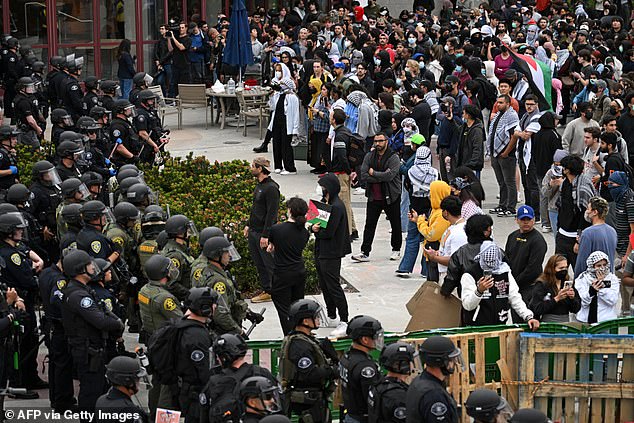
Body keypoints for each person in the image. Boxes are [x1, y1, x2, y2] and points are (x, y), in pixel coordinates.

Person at [61, 249, 124, 421]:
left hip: (93, 348)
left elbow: (103, 311)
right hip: (88, 351)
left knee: (99, 388)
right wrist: (117, 323)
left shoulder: (83, 289)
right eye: (89, 265)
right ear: (80, 269)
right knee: (91, 392)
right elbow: (101, 320)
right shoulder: (78, 295)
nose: (93, 267)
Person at [278, 299, 339, 423]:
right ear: (305, 321)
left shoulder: (305, 339)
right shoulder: (300, 346)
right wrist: (331, 370)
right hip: (307, 400)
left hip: (313, 398)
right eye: (315, 317)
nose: (318, 319)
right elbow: (309, 374)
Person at [137, 254, 182, 418]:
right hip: (167, 346)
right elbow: (180, 321)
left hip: (154, 341)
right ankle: (164, 419)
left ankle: (153, 414)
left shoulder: (145, 290)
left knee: (157, 382)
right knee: (168, 388)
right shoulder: (164, 298)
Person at [461, 241, 541, 327]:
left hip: (500, 325)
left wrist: (528, 316)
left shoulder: (505, 272)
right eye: (487, 263)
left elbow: (515, 298)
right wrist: (479, 291)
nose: (490, 267)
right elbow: (468, 305)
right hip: (476, 327)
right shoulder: (470, 274)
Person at [200, 334, 277, 423]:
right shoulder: (262, 373)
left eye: (218, 356)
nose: (217, 359)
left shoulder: (215, 381)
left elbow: (204, 413)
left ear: (225, 357)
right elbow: (279, 404)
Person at [353, 133, 402, 262]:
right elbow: (363, 175)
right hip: (374, 196)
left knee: (395, 223)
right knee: (369, 224)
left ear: (386, 141)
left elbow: (390, 176)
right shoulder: (369, 156)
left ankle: (396, 249)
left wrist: (374, 173)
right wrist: (381, 176)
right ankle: (365, 252)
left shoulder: (393, 157)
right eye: (376, 141)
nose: (378, 143)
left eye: (380, 141)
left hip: (391, 196)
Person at [312, 173, 351, 336]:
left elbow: (328, 232)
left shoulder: (336, 207)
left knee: (333, 285)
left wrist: (316, 231)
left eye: (322, 186)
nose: (319, 189)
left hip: (331, 251)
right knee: (324, 283)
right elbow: (314, 222)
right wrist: (312, 228)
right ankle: (331, 313)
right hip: (322, 249)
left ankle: (344, 319)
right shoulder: (324, 203)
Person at [175, 287, 218, 423]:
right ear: (204, 308)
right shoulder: (197, 336)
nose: (216, 307)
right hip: (194, 394)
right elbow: (203, 371)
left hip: (185, 390)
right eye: (213, 304)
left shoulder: (182, 325)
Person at [267, 197, 309, 334]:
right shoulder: (305, 233)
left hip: (282, 274)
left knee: (283, 309)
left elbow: (271, 247)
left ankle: (290, 336)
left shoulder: (276, 229)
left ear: (290, 211)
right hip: (299, 272)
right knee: (297, 306)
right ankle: (300, 332)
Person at [396, 142, 437, 277]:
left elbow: (407, 187)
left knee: (412, 238)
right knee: (428, 239)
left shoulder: (410, 172)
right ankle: (426, 270)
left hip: (414, 210)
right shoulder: (434, 173)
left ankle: (405, 268)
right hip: (430, 212)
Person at [245, 157, 280, 303]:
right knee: (259, 263)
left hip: (262, 234)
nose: (251, 168)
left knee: (268, 263)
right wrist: (248, 224)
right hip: (254, 231)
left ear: (260, 169)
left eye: (253, 166)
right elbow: (256, 208)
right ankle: (266, 289)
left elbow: (271, 214)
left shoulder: (271, 188)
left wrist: (266, 235)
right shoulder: (259, 185)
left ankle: (273, 291)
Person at [406, 336, 463, 423]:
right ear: (440, 361)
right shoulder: (434, 395)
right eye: (451, 359)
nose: (455, 363)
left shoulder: (418, 381)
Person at [339, 315, 383, 423]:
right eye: (375, 337)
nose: (378, 340)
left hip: (350, 414)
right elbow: (372, 398)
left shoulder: (347, 357)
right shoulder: (365, 366)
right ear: (365, 339)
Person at [504, 205, 548, 313]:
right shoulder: (512, 236)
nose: (526, 222)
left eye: (529, 219)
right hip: (514, 286)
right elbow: (506, 260)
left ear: (533, 220)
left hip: (530, 288)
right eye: (523, 219)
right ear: (517, 220)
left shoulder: (538, 241)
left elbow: (532, 268)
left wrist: (515, 283)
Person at [556, 156, 595, 269]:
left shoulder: (583, 187)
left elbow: (587, 217)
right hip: (562, 235)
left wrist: (579, 240)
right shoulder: (565, 184)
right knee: (558, 272)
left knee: (579, 273)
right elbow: (561, 207)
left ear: (567, 170)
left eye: (563, 167)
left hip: (576, 238)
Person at [408, 181, 451, 282]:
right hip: (431, 255)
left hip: (437, 254)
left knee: (434, 285)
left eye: (432, 192)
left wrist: (420, 221)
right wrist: (417, 220)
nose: (430, 195)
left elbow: (431, 235)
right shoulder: (435, 211)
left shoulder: (442, 214)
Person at [488, 95, 520, 217]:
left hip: (506, 155)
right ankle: (502, 204)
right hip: (495, 153)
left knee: (509, 181)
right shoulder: (498, 115)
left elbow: (513, 136)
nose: (498, 105)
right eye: (497, 102)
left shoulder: (512, 116)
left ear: (508, 104)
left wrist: (506, 152)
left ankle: (510, 207)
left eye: (501, 102)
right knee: (501, 182)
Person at [368, 342, 416, 423]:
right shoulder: (399, 396)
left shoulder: (379, 384)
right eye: (411, 361)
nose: (413, 365)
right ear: (403, 365)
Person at [425, 196, 467, 282]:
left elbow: (455, 260)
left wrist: (434, 258)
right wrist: (438, 253)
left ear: (446, 212)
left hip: (453, 277)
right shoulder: (453, 227)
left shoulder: (459, 232)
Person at [95, 356, 149, 423]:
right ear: (128, 381)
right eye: (137, 379)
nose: (138, 383)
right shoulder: (129, 411)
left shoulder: (101, 400)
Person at [574, 197, 617, 278]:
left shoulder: (588, 233)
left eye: (588, 209)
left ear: (595, 212)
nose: (586, 211)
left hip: (593, 281)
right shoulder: (612, 231)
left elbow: (582, 263)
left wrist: (577, 282)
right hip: (608, 278)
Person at [530, 254, 581, 322]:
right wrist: (556, 299)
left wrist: (572, 298)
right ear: (552, 269)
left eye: (566, 267)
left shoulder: (567, 283)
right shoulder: (542, 284)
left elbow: (575, 309)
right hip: (548, 322)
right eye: (561, 268)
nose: (564, 270)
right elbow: (537, 308)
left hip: (565, 322)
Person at [575, 251, 620, 323]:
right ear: (592, 266)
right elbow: (582, 302)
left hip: (605, 321)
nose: (602, 268)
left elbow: (613, 300)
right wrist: (591, 292)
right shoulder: (583, 278)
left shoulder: (612, 278)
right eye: (599, 266)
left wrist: (601, 287)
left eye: (604, 265)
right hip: (585, 320)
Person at [160, 214, 197, 301]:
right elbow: (171, 283)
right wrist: (190, 296)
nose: (189, 233)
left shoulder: (178, 248)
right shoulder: (175, 255)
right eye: (187, 230)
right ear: (180, 233)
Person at [269, 78, 299, 175]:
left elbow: (295, 114)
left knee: (286, 146)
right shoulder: (278, 95)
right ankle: (278, 166)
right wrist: (271, 97)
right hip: (277, 122)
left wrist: (295, 129)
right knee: (276, 144)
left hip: (287, 124)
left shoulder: (292, 97)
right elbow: (272, 107)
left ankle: (290, 168)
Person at [455, 104, 485, 176]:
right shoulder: (464, 127)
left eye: (464, 113)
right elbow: (456, 130)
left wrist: (472, 164)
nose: (462, 115)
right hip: (464, 163)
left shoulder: (477, 130)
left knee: (473, 185)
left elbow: (477, 148)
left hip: (472, 166)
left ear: (468, 115)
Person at [167, 21, 193, 98]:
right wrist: (169, 39)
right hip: (175, 64)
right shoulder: (177, 38)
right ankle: (175, 99)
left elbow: (181, 47)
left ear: (186, 28)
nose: (181, 29)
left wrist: (173, 37)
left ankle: (185, 99)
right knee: (174, 83)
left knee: (184, 83)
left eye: (182, 28)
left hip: (185, 64)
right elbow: (170, 49)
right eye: (180, 28)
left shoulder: (188, 39)